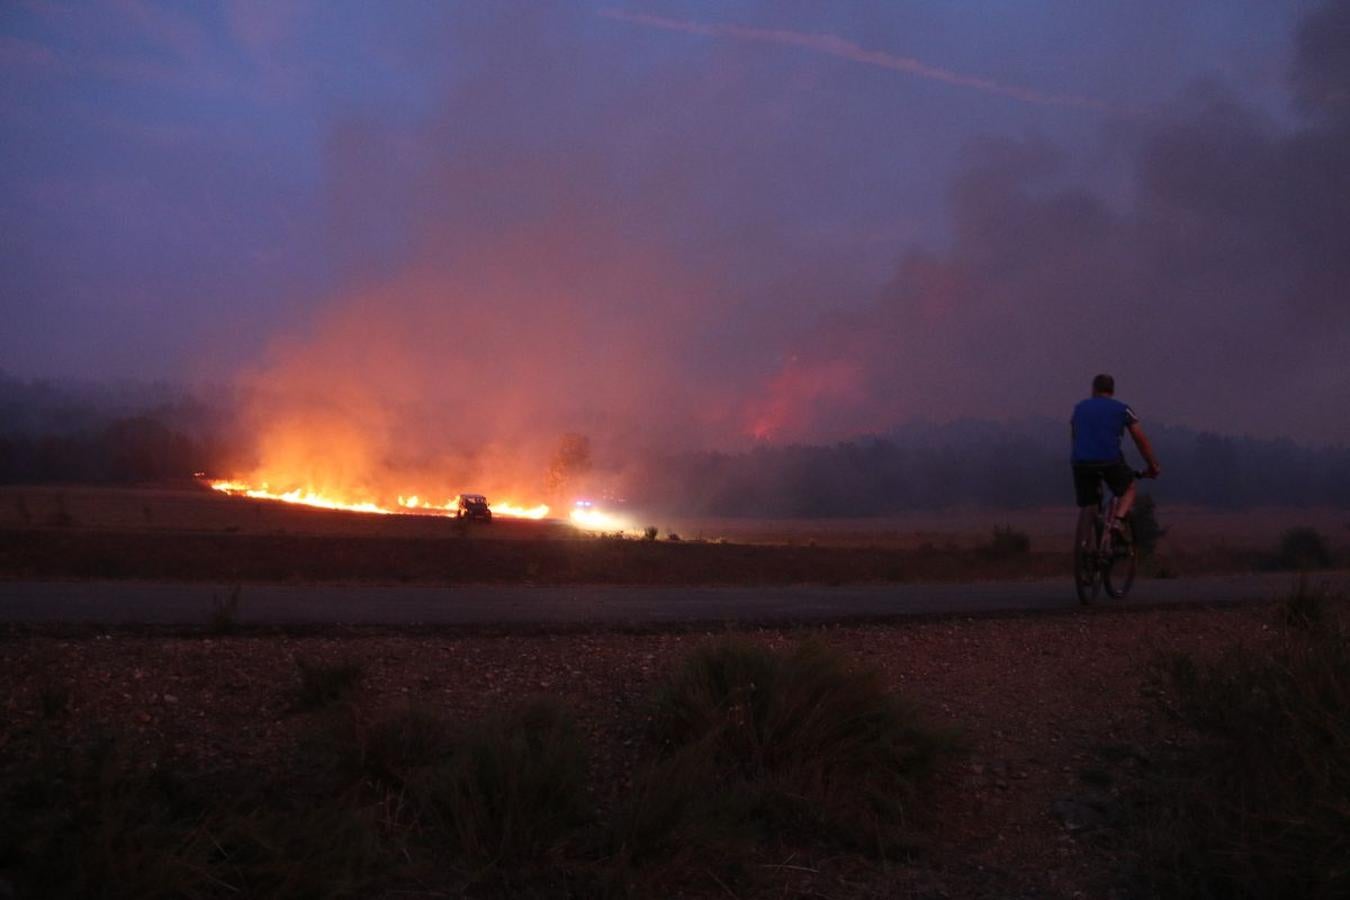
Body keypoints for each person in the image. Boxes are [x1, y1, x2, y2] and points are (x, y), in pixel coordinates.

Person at [1071, 374, 1161, 536]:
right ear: (1112, 391)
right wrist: (1152, 465)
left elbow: (1075, 436)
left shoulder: (1079, 408)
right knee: (1129, 488)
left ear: (1093, 390)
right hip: (1110, 461)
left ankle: (1087, 535)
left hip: (1080, 462)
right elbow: (1140, 439)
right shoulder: (1122, 409)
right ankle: (1118, 521)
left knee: (1089, 502)